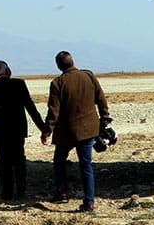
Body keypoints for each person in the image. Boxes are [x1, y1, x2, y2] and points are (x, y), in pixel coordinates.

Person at [41, 51, 109, 212]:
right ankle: (89, 202)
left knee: (59, 161)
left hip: (68, 132)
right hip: (89, 130)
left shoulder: (58, 83)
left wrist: (46, 132)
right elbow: (101, 98)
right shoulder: (88, 75)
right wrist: (105, 118)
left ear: (58, 66)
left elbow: (53, 112)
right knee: (86, 166)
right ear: (73, 61)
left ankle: (62, 192)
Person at [0, 60, 47, 201]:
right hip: (17, 130)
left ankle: (7, 192)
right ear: (8, 71)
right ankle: (21, 191)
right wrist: (43, 128)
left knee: (3, 162)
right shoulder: (19, 84)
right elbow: (31, 108)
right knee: (19, 160)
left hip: (1, 132)